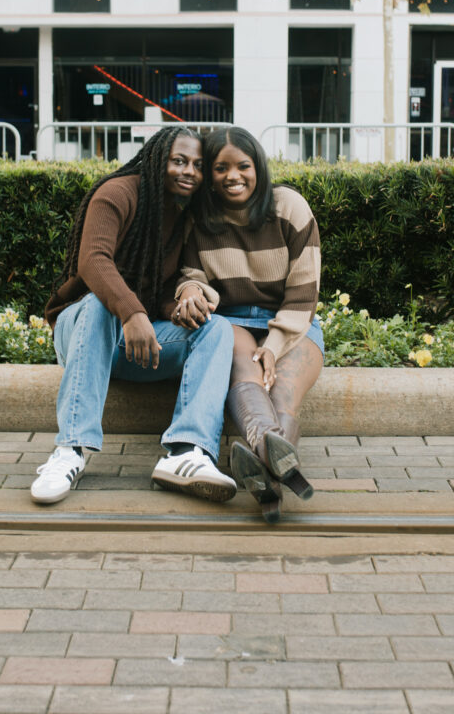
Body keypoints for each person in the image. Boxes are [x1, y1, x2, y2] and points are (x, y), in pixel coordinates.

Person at [31, 126, 237, 506]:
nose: (189, 171)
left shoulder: (179, 216)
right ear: (158, 159)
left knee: (217, 328)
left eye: (197, 165)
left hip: (134, 346)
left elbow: (161, 288)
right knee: (98, 304)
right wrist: (132, 313)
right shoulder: (117, 193)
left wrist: (178, 309)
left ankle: (187, 452)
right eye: (179, 161)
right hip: (83, 334)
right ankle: (71, 450)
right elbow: (93, 261)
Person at [173, 126, 323, 523]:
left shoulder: (289, 206)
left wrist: (273, 346)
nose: (233, 176)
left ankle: (265, 473)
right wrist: (191, 291)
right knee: (245, 370)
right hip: (232, 320)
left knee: (283, 395)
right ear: (209, 175)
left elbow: (304, 289)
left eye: (243, 166)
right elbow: (192, 276)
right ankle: (276, 462)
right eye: (221, 168)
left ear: (258, 167)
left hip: (293, 321)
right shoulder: (200, 218)